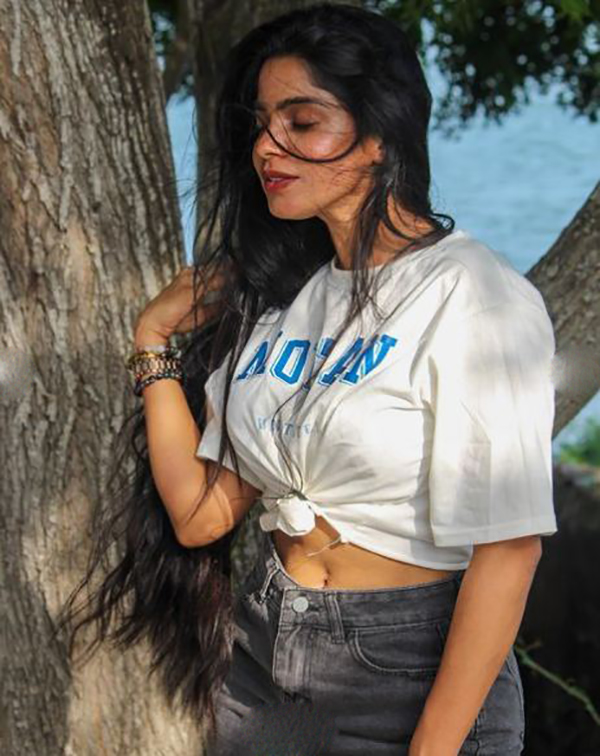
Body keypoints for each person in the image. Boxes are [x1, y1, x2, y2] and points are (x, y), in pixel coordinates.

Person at [57, 4, 558, 755]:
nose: (268, 146)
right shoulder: (284, 302)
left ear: (381, 133)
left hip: (409, 668)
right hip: (267, 661)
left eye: (302, 121)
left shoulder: (471, 294)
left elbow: (509, 551)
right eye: (262, 124)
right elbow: (200, 516)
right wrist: (151, 341)